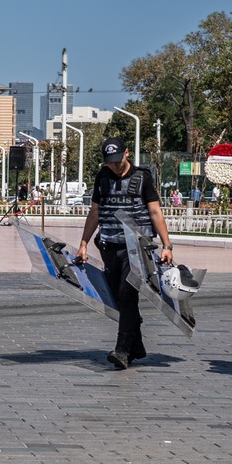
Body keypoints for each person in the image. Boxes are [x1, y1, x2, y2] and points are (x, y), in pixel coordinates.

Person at [75, 137, 175, 370]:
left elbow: (155, 212)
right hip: (109, 246)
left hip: (136, 249)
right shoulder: (102, 177)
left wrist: (167, 246)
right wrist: (83, 243)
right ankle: (136, 345)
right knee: (119, 299)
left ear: (126, 153)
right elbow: (95, 212)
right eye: (110, 162)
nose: (115, 166)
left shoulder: (143, 178)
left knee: (127, 294)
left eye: (118, 161)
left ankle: (122, 350)